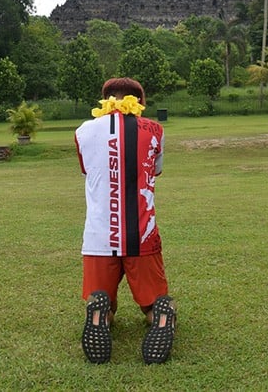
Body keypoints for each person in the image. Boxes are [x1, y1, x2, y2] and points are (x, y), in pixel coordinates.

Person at [74, 77, 175, 365]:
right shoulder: (155, 129)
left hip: (97, 238)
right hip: (142, 235)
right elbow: (156, 171)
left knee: (102, 301)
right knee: (151, 304)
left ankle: (99, 313)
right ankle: (159, 313)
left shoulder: (83, 131)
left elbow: (86, 169)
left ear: (106, 100)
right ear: (139, 102)